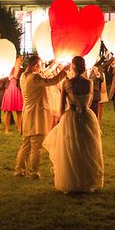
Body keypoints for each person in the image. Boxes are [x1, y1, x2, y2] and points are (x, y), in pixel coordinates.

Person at [43, 56, 104, 193]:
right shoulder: (89, 83)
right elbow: (89, 102)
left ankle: (71, 182)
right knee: (87, 148)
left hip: (70, 117)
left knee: (70, 149)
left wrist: (61, 119)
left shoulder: (67, 83)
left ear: (73, 67)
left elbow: (61, 106)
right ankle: (87, 181)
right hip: (86, 116)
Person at [13, 55, 68, 179]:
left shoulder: (23, 76)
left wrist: (54, 65)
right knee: (36, 146)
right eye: (41, 64)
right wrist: (64, 71)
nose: (42, 66)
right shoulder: (35, 77)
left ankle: (19, 170)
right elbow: (51, 81)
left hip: (27, 114)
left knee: (26, 144)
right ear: (36, 66)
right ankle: (34, 172)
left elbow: (44, 75)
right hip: (38, 116)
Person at [1, 56, 24, 134]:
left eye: (22, 60)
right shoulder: (9, 68)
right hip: (9, 89)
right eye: (20, 60)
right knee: (8, 111)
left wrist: (15, 77)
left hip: (18, 90)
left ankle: (19, 129)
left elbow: (22, 79)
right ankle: (6, 129)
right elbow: (4, 77)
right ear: (15, 60)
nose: (21, 61)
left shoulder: (22, 70)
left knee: (19, 111)